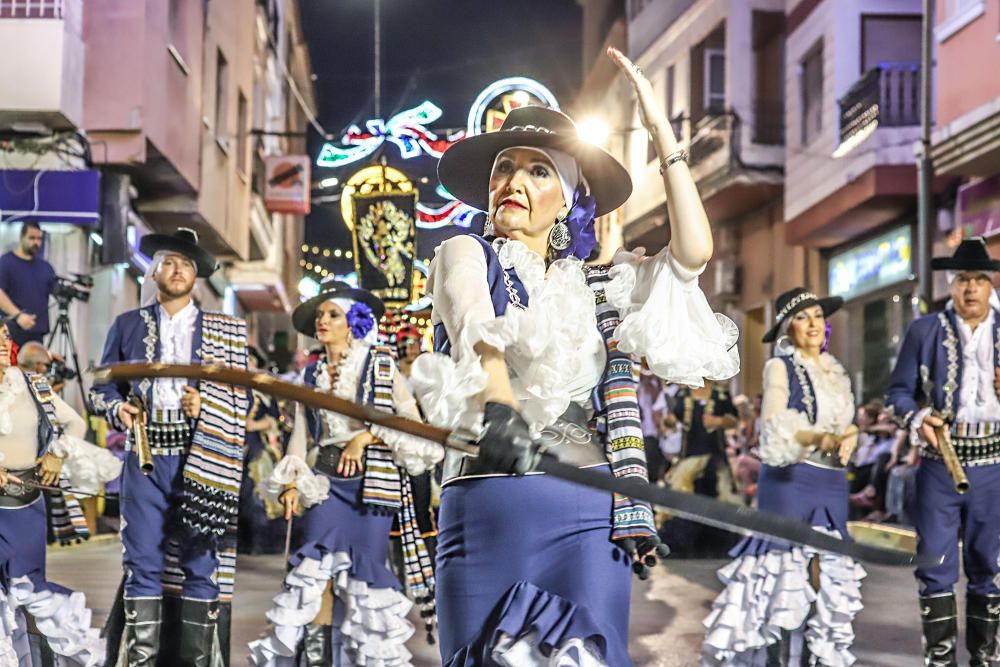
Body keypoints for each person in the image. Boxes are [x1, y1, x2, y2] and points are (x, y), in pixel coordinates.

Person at [409, 47, 739, 666]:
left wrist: (661, 131)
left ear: (566, 198)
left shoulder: (599, 286)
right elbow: (476, 327)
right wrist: (500, 407)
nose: (512, 182)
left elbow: (692, 254)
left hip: (586, 511)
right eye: (505, 168)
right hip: (487, 502)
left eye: (538, 172)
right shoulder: (463, 254)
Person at [248, 281, 441, 666]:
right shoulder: (311, 374)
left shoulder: (381, 364)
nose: (323, 321)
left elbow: (409, 421)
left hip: (371, 487)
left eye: (332, 314)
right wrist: (290, 483)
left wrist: (364, 438)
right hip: (324, 485)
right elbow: (301, 437)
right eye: (319, 315)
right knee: (316, 576)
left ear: (353, 321)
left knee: (362, 583)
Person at [89, 228, 249, 667]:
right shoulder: (126, 325)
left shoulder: (226, 331)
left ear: (196, 275)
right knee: (141, 560)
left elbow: (244, 399)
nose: (177, 270)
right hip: (145, 460)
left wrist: (208, 403)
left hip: (202, 458)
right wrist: (119, 409)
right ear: (155, 270)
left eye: (186, 264)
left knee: (201, 562)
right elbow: (100, 390)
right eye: (169, 262)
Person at [703, 288, 862, 666]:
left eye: (818, 316)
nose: (813, 324)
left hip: (831, 483)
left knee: (825, 576)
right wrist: (817, 436)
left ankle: (811, 659)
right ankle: (773, 660)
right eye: (803, 317)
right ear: (788, 327)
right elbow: (775, 425)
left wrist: (850, 436)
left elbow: (847, 423)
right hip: (792, 480)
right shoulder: (780, 366)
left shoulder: (835, 371)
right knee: (782, 575)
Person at [885, 236, 1000, 667]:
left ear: (991, 285)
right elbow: (897, 393)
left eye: (979, 279)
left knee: (989, 563)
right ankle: (940, 659)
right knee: (935, 561)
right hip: (938, 464)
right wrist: (917, 419)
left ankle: (986, 658)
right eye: (962, 279)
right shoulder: (924, 329)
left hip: (994, 463)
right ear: (951, 284)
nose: (970, 288)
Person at [0, 321, 109, 665]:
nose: (4, 341)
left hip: (26, 506)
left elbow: (76, 422)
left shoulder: (32, 384)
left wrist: (57, 454)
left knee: (28, 594)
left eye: (5, 334)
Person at [0, 222, 57, 346]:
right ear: (22, 237)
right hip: (11, 332)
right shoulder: (5, 263)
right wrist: (18, 315)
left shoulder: (45, 268)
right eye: (32, 238)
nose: (36, 242)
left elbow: (56, 290)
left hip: (36, 334)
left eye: (39, 239)